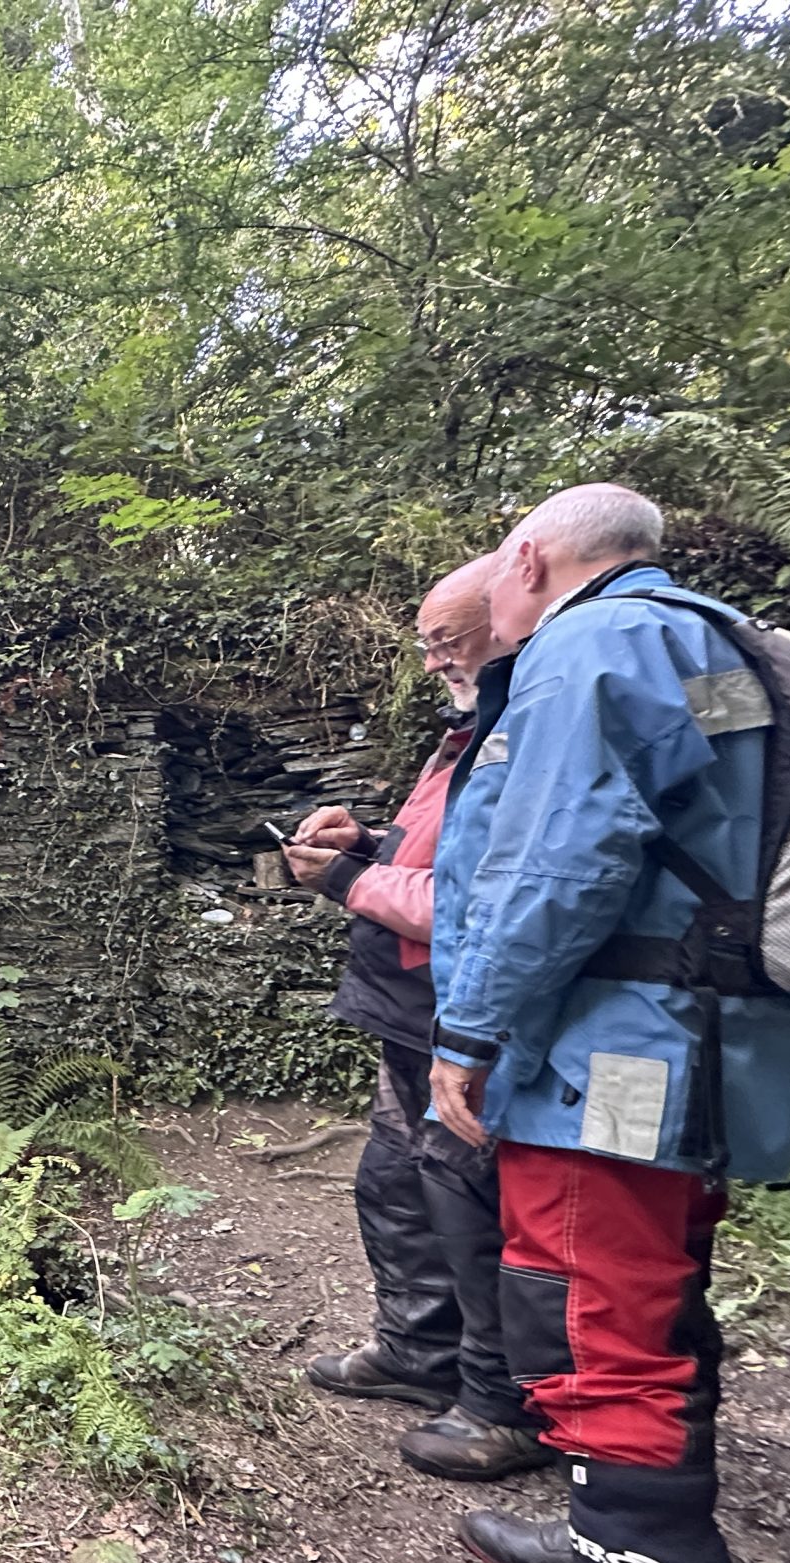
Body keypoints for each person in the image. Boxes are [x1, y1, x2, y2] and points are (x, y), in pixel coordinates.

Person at [423, 483, 790, 1563]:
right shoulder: (711, 640)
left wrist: (469, 1033)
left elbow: (562, 859)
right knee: (646, 1309)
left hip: (610, 1064)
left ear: (530, 558)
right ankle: (617, 1552)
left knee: (594, 1325)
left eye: (497, 579)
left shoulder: (592, 646)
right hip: (696, 1047)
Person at [286, 559, 554, 1482]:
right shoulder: (471, 728)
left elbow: (481, 901)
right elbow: (438, 856)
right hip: (407, 1005)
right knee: (395, 1183)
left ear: (510, 617)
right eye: (426, 644)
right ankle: (417, 1351)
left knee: (470, 1202)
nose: (434, 660)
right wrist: (367, 842)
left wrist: (348, 879)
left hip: (465, 1012)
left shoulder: (529, 724)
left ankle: (502, 1400)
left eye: (448, 640)